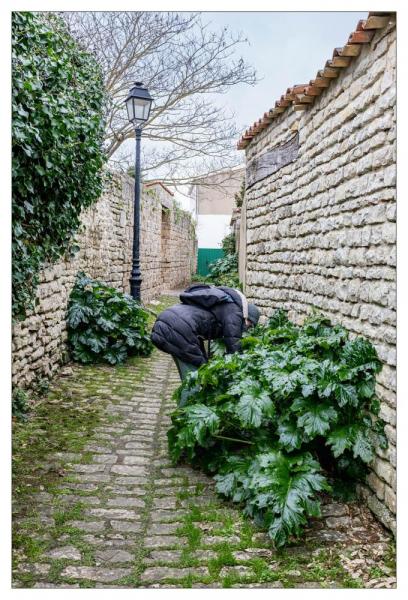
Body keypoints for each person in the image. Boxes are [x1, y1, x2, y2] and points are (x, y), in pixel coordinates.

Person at [151, 283, 261, 380]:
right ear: (247, 317)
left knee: (194, 372)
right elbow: (233, 343)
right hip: (177, 330)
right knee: (194, 380)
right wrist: (239, 369)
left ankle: (188, 401)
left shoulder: (225, 302)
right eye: (250, 325)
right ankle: (189, 403)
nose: (248, 328)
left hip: (169, 322)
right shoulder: (235, 311)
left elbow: (200, 332)